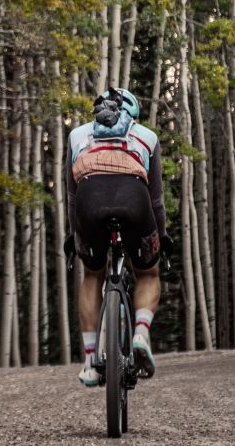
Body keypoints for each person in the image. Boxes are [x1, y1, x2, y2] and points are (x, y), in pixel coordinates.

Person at [64, 87, 169, 386]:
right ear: (133, 115)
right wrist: (159, 238)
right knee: (148, 273)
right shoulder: (147, 137)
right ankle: (140, 333)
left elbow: (71, 197)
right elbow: (157, 200)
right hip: (134, 198)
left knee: (92, 275)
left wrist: (77, 234)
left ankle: (88, 362)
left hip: (88, 200)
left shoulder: (77, 135)